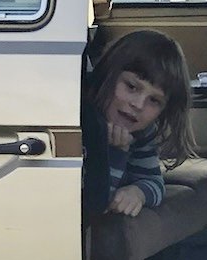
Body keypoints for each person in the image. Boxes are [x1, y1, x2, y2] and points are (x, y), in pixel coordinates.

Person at [82, 28, 195, 218]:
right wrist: (115, 153)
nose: (138, 105)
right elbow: (93, 204)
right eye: (131, 86)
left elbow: (153, 182)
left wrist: (138, 192)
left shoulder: (142, 131)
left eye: (154, 100)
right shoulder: (82, 118)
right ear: (107, 74)